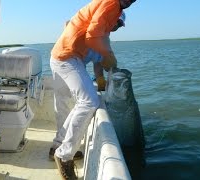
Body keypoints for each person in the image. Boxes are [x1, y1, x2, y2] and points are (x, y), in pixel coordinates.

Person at [49, 0, 136, 179]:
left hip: (67, 60)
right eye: (118, 22)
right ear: (114, 18)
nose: (117, 26)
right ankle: (64, 155)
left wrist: (103, 78)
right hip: (65, 58)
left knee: (79, 104)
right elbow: (93, 39)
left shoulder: (103, 34)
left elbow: (100, 63)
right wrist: (109, 55)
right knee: (88, 102)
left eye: (120, 25)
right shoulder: (109, 7)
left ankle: (58, 146)